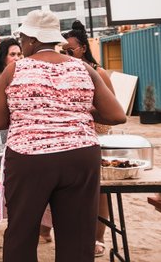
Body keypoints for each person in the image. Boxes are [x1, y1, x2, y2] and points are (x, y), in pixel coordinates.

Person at [0, 10, 126, 262]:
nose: (21, 44)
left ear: (31, 39)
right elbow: (117, 114)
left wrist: (38, 109)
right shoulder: (83, 67)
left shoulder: (14, 70)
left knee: (21, 232)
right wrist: (74, 109)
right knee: (77, 236)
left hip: (29, 158)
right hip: (80, 157)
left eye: (22, 39)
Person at [62, 20, 116, 257]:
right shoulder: (63, 70)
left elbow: (113, 109)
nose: (66, 54)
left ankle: (98, 237)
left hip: (97, 133)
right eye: (62, 51)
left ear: (83, 48)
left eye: (70, 50)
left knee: (99, 189)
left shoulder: (98, 71)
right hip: (72, 136)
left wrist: (83, 110)